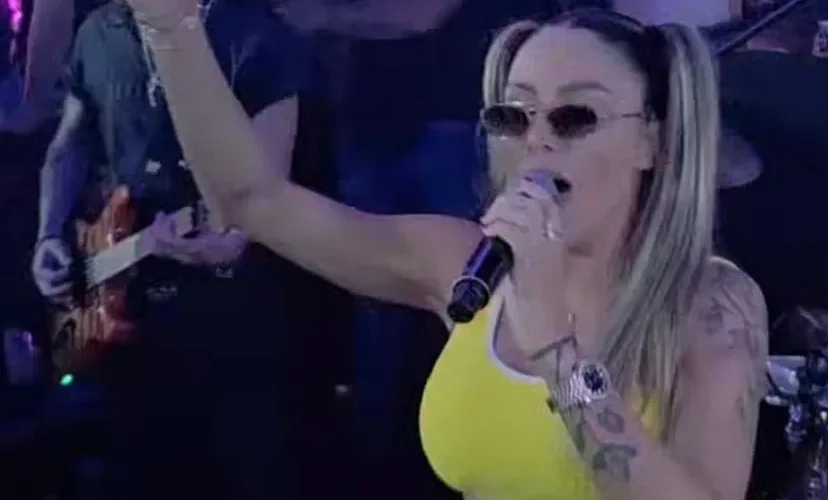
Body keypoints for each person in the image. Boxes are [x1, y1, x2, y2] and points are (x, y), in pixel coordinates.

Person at [128, 3, 767, 499]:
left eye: (575, 117)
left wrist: (554, 345)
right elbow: (253, 200)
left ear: (652, 142)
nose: (537, 140)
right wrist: (170, 25)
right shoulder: (461, 264)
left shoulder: (710, 306)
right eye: (514, 117)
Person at [28, 0, 304, 497]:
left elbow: (266, 191)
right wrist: (49, 232)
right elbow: (70, 145)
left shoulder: (254, 32)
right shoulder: (99, 30)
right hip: (130, 310)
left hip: (230, 317)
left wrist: (232, 241)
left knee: (244, 470)